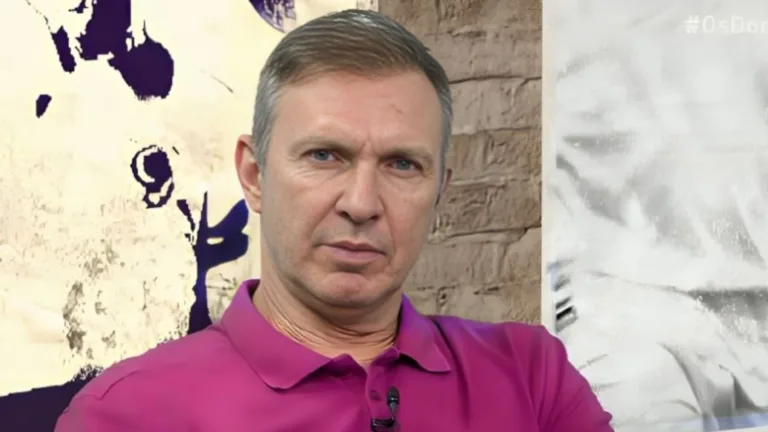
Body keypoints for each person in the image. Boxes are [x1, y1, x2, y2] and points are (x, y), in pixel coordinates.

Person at [54, 9, 613, 431]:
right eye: (324, 156)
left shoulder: (530, 379)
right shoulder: (129, 413)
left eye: (402, 164)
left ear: (440, 191)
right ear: (254, 174)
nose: (362, 203)